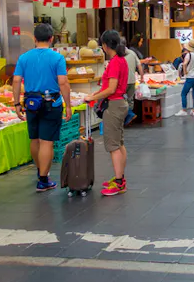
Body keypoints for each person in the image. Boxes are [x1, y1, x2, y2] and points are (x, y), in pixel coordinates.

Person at [11, 24, 73, 192]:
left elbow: (16, 81)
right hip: (51, 103)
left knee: (35, 139)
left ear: (35, 39)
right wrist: (68, 105)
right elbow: (63, 82)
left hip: (31, 103)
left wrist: (16, 103)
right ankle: (44, 180)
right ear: (52, 39)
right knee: (47, 142)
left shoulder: (24, 58)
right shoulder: (57, 58)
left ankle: (40, 172)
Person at [84, 30, 129, 197]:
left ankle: (118, 183)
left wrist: (92, 96)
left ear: (104, 45)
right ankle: (120, 179)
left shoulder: (115, 62)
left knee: (113, 146)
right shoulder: (121, 60)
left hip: (114, 105)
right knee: (119, 143)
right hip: (120, 103)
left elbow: (110, 89)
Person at [177, 41, 194, 116]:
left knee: (184, 93)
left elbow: (184, 64)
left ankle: (184, 110)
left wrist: (185, 72)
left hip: (190, 77)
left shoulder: (188, 55)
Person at [122, 38, 142, 126]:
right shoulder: (132, 53)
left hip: (123, 81)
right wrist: (142, 76)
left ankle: (129, 116)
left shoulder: (118, 55)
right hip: (132, 80)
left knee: (122, 99)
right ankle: (128, 119)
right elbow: (139, 65)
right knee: (130, 100)